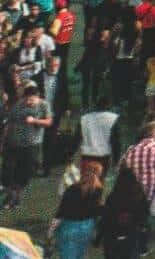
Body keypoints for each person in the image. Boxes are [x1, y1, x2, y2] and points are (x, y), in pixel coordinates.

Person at [4, 74, 51, 207]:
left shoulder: (43, 105)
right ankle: (11, 195)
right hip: (14, 143)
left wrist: (35, 120)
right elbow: (9, 123)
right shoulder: (18, 105)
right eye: (27, 99)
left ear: (38, 96)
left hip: (32, 144)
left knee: (24, 172)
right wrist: (3, 141)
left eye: (32, 99)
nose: (29, 102)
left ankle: (18, 196)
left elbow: (49, 122)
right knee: (9, 171)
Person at [55, 154, 108, 259]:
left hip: (69, 226)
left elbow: (61, 212)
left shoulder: (72, 189)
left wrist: (50, 231)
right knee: (82, 253)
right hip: (87, 226)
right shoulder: (98, 190)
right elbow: (96, 211)